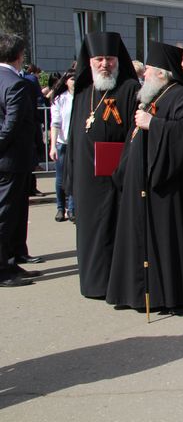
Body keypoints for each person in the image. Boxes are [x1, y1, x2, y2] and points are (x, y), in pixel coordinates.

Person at [106, 41, 183, 313]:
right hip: (144, 182)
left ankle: (173, 295)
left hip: (172, 187)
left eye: (147, 70)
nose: (143, 74)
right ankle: (139, 291)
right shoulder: (153, 96)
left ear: (161, 73)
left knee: (169, 242)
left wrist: (153, 124)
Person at [66, 31, 140, 298]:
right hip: (87, 176)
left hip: (117, 175)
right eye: (98, 59)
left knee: (115, 228)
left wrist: (125, 165)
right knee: (90, 230)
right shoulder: (84, 91)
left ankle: (117, 283)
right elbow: (74, 136)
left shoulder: (130, 89)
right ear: (90, 61)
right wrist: (70, 177)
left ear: (117, 60)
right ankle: (93, 282)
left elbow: (136, 133)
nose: (104, 64)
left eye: (109, 58)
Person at [0, 34, 41, 287]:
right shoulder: (15, 83)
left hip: (11, 159)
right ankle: (3, 269)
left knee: (12, 213)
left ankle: (12, 262)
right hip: (11, 160)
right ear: (19, 56)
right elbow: (12, 125)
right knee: (6, 214)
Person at [48, 71, 76, 222]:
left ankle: (71, 208)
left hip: (76, 144)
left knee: (73, 177)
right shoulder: (60, 99)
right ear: (66, 81)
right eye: (72, 79)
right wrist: (53, 146)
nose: (74, 81)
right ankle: (60, 207)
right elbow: (55, 123)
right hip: (62, 143)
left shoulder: (81, 97)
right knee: (60, 178)